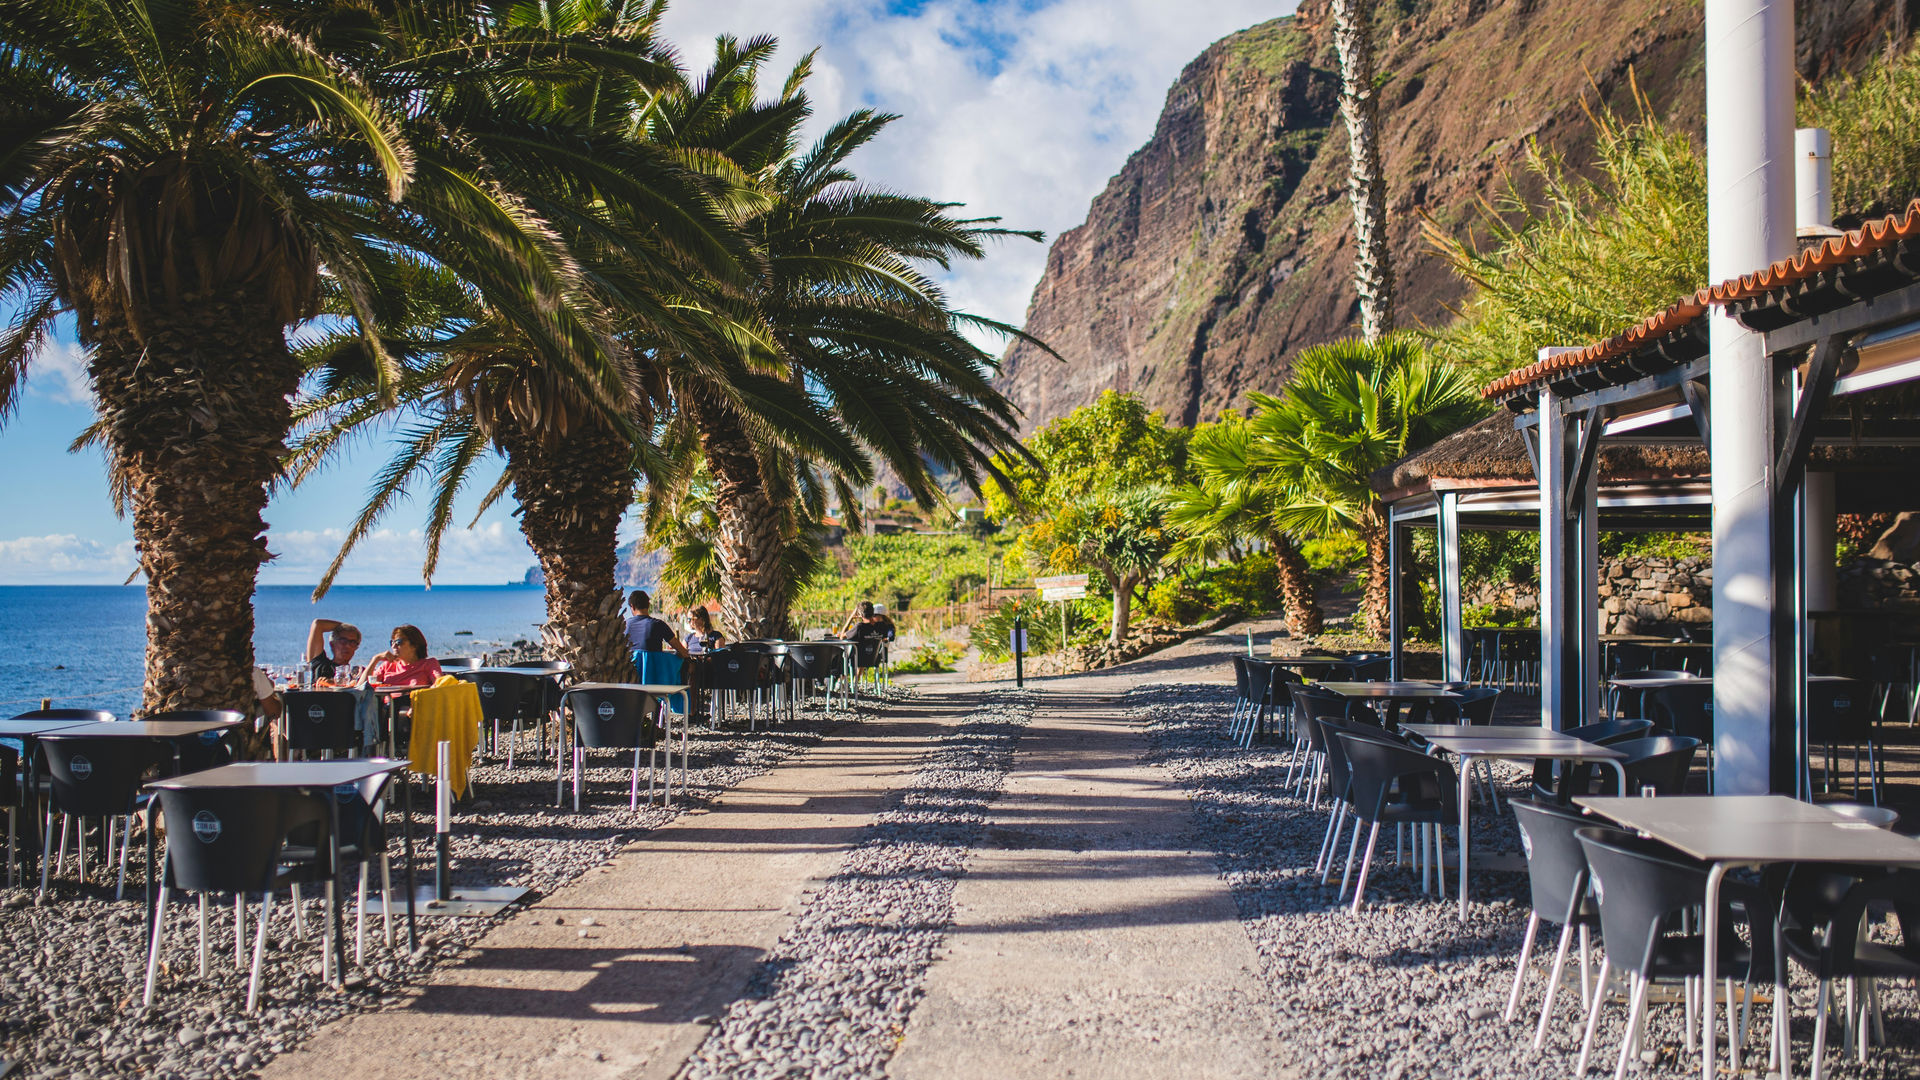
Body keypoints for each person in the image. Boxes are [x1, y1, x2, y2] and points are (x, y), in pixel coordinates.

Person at [362, 625, 444, 688]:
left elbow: (439, 685)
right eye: (392, 642)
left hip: (414, 706)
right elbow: (361, 688)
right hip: (387, 707)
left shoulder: (428, 664)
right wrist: (375, 659)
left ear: (414, 645)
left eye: (398, 642)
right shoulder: (388, 665)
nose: (393, 646)